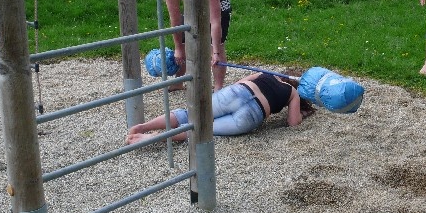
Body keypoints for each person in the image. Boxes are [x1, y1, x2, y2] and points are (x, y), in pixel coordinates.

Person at [125, 72, 315, 145]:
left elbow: (240, 82)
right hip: (253, 113)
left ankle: (143, 127)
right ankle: (150, 138)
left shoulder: (266, 74)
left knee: (190, 114)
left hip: (238, 93)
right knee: (203, 130)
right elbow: (293, 123)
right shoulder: (292, 93)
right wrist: (301, 114)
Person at [164, 0, 232, 92]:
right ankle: (179, 81)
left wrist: (216, 52)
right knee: (184, 41)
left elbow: (215, 21)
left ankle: (218, 88)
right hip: (193, 5)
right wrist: (178, 47)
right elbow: (175, 20)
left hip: (218, 4)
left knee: (216, 47)